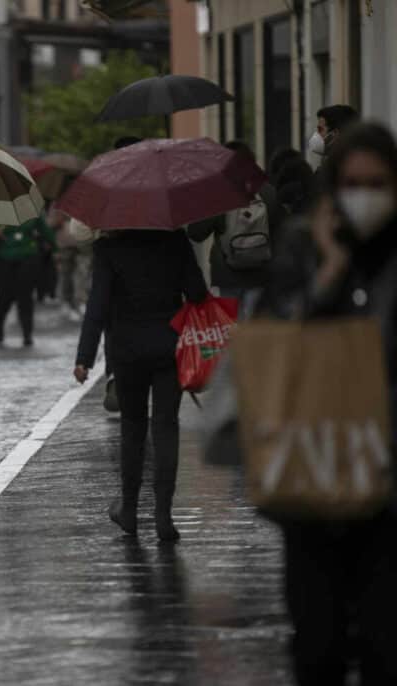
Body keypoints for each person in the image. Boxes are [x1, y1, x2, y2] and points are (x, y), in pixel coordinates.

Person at [260, 122, 397, 686]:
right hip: (314, 471)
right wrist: (330, 273)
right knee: (317, 645)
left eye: (377, 184)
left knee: (387, 644)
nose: (364, 197)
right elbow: (274, 347)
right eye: (353, 184)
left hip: (388, 484)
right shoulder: (301, 246)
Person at [74, 229, 207, 541]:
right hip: (169, 347)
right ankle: (163, 516)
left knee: (132, 427)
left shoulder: (108, 247)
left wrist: (84, 358)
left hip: (126, 350)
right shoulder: (176, 240)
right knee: (166, 426)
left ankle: (130, 510)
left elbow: (97, 305)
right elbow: (198, 293)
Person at [188, 140, 282, 314]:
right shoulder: (268, 192)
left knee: (231, 325)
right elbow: (282, 231)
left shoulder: (217, 195)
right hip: (261, 275)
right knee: (255, 325)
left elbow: (196, 233)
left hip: (227, 276)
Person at [0, 214, 56, 347]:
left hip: (27, 259)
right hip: (4, 259)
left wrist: (54, 248)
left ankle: (27, 332)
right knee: (3, 297)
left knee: (25, 297)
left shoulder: (33, 211)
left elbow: (46, 232)